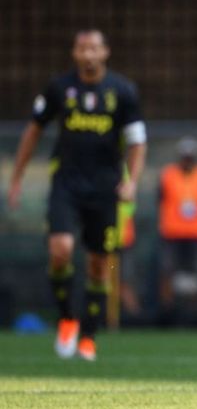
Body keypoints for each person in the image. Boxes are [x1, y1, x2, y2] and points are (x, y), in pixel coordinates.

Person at [7, 29, 147, 361]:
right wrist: (17, 175)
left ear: (105, 52)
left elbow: (137, 142)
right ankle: (67, 319)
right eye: (82, 48)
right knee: (61, 249)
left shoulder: (123, 91)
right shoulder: (59, 88)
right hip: (66, 185)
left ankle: (89, 336)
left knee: (99, 266)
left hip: (105, 189)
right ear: (74, 53)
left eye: (94, 48)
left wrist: (132, 182)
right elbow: (34, 130)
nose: (88, 54)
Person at [157, 137, 197, 326]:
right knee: (168, 271)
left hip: (196, 233)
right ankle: (168, 313)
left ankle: (194, 315)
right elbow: (161, 199)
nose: (188, 161)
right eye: (185, 157)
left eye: (191, 158)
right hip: (172, 232)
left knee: (196, 274)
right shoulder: (168, 174)